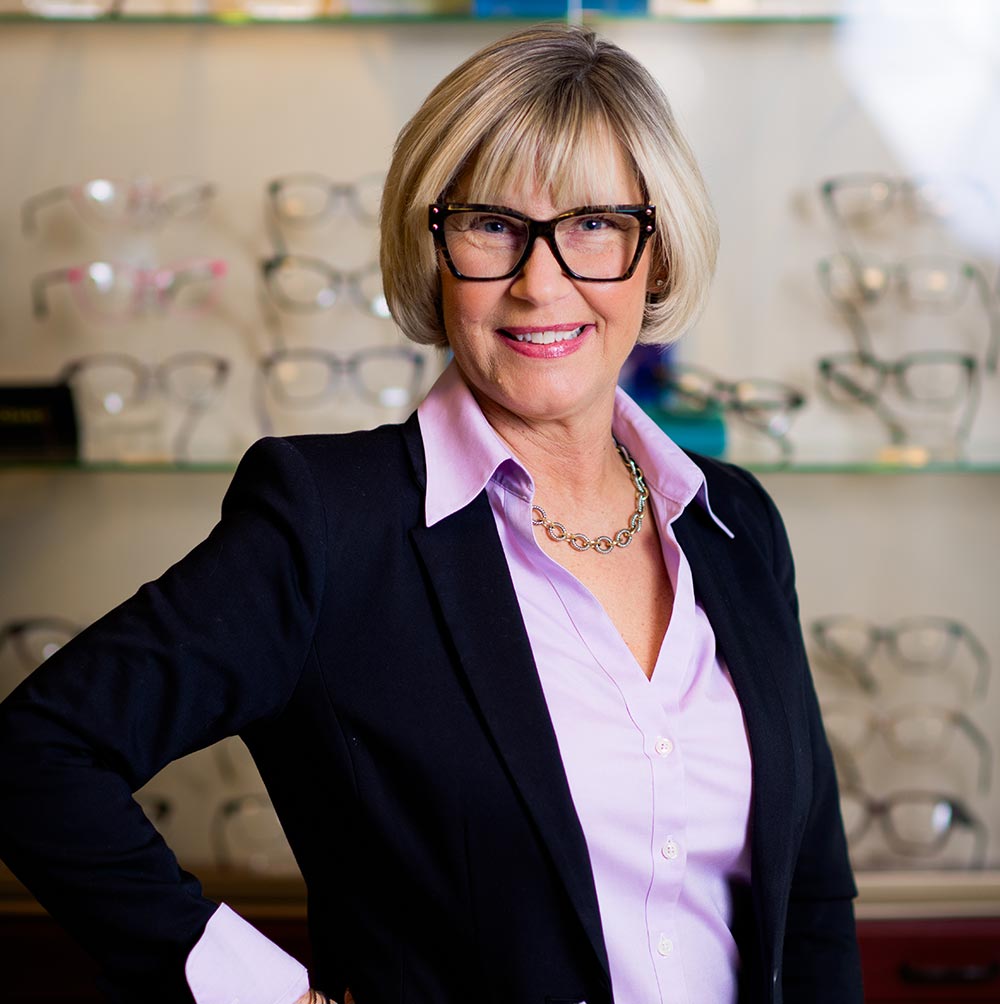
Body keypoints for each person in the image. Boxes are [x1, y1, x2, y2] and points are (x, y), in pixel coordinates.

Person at [0, 23, 862, 1004]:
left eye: (593, 224)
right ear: (434, 250)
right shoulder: (331, 523)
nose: (542, 282)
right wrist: (267, 996)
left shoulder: (733, 520)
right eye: (492, 225)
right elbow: (35, 753)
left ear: (654, 258)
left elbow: (812, 901)